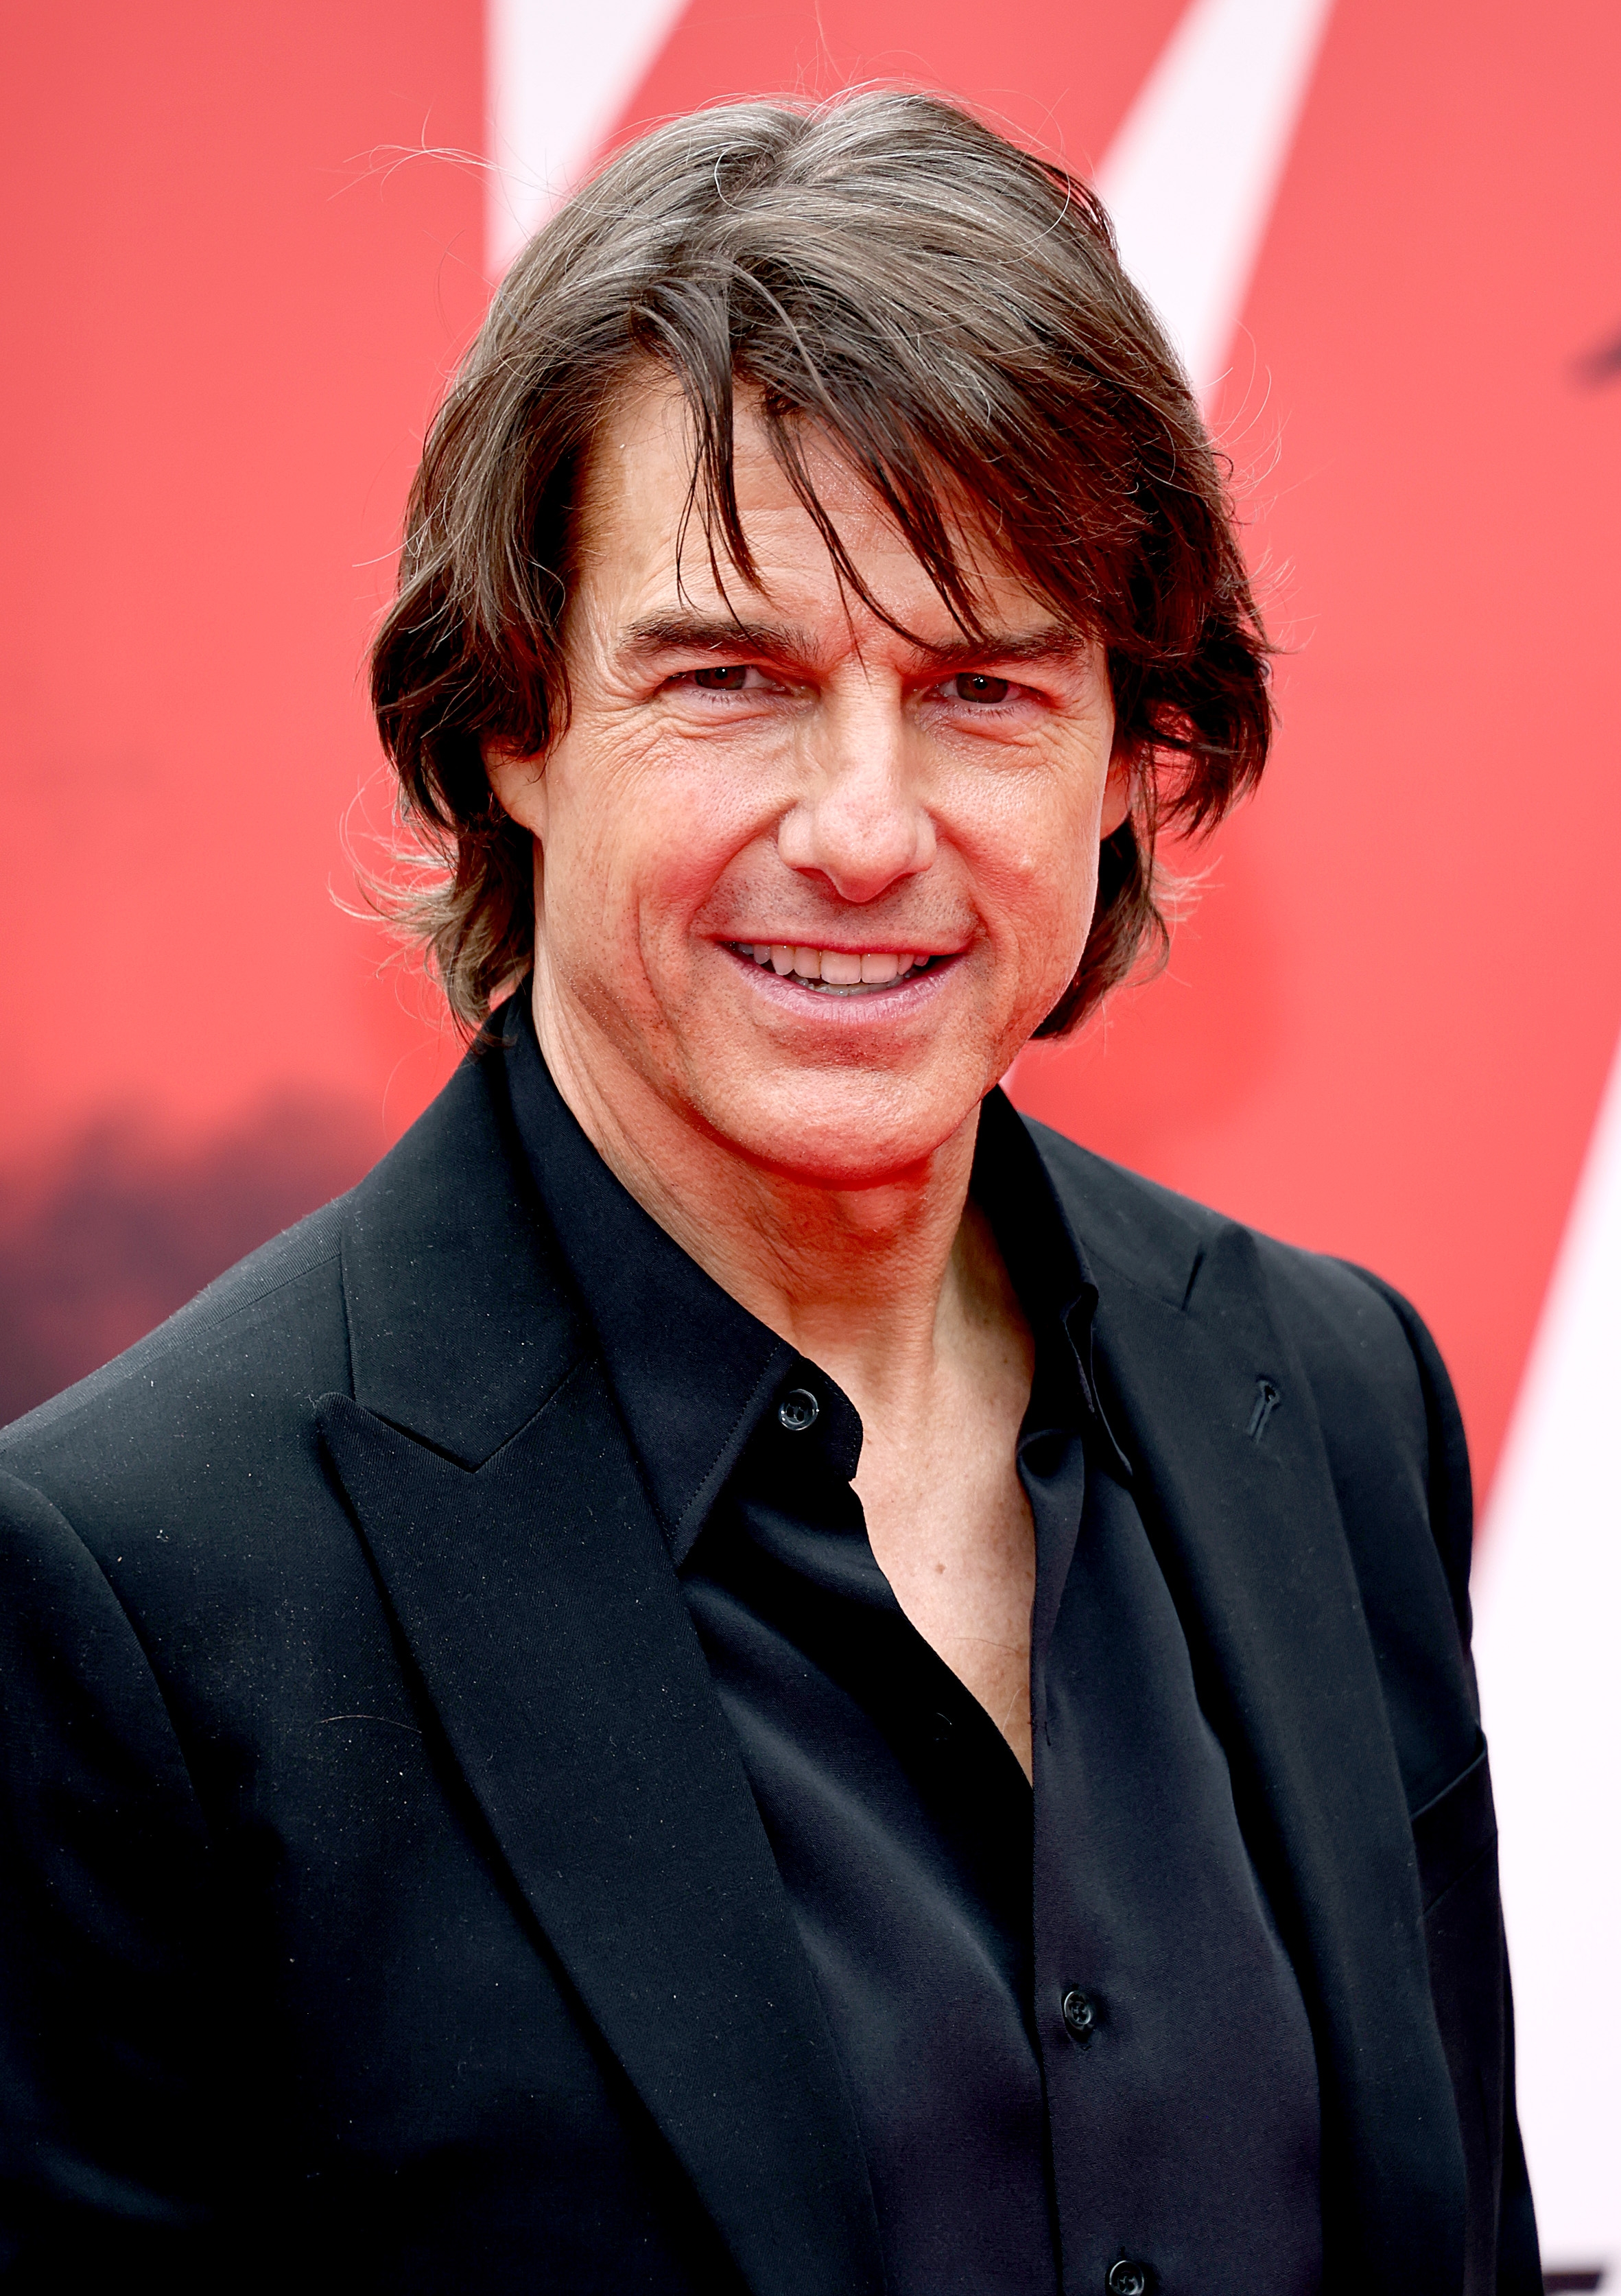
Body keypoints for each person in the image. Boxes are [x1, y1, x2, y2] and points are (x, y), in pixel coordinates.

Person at [0, 91, 1537, 2296]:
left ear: (1128, 755)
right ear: (512, 719)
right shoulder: (135, 1597)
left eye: (980, 687)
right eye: (731, 678)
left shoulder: (1334, 1403)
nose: (862, 827)